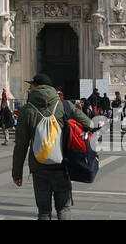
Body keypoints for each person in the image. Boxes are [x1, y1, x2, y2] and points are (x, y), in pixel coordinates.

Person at [11, 73, 92, 220]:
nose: (29, 88)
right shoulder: (65, 105)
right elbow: (89, 124)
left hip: (39, 166)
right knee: (64, 208)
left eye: (31, 85)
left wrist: (16, 173)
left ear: (36, 86)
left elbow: (21, 145)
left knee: (44, 212)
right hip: (62, 165)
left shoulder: (26, 110)